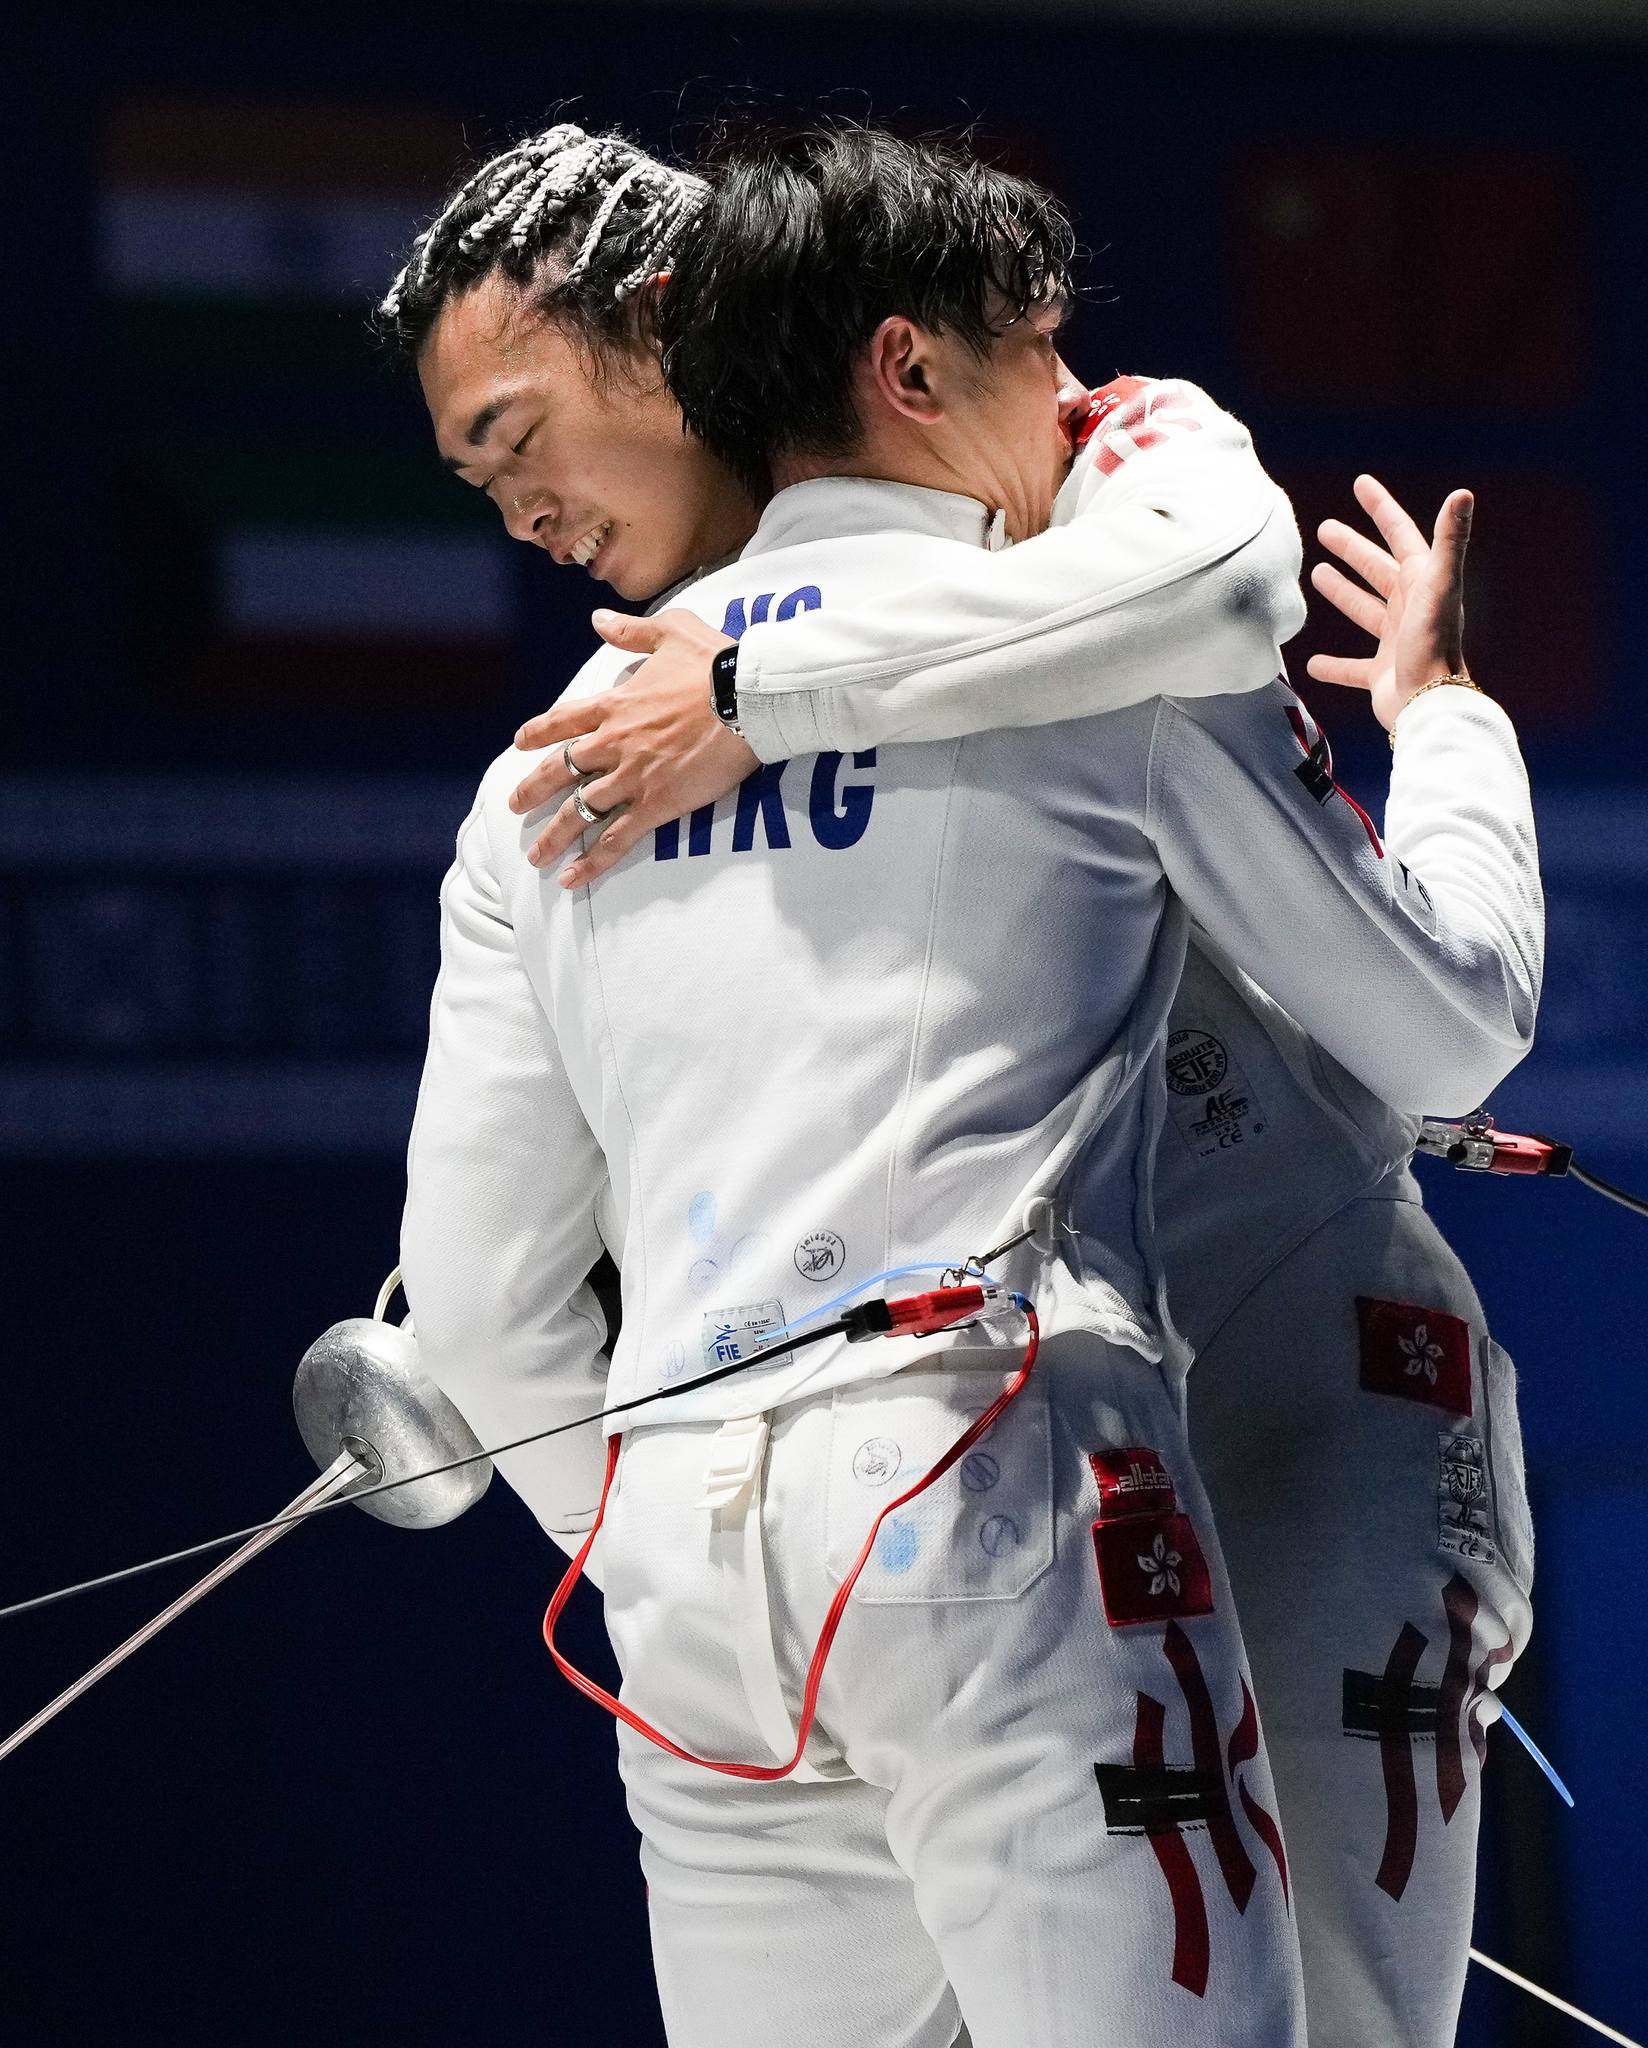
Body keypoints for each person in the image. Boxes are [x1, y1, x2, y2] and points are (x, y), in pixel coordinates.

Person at [376, 122, 1540, 2048]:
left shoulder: (1092, 534)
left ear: (681, 332)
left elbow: (1224, 578)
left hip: (1260, 1405)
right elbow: (1457, 1009)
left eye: (522, 438)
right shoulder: (621, 746)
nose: (517, 512)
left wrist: (690, 1519)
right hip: (1023, 1464)